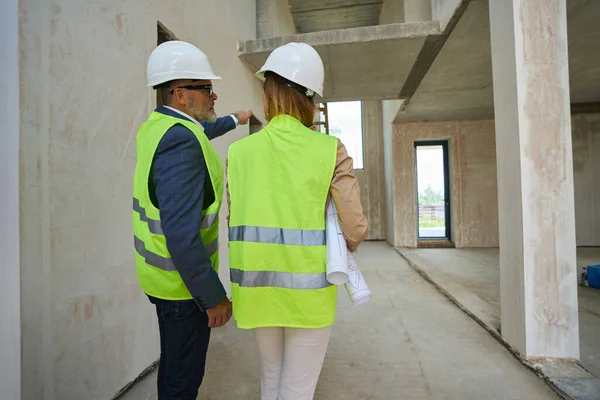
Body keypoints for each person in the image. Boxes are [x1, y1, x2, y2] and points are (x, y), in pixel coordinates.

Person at [226, 42, 368, 400]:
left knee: (271, 376)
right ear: (311, 100)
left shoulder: (238, 152)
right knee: (298, 388)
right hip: (309, 293)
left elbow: (236, 214)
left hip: (255, 288)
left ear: (267, 93)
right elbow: (355, 227)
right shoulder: (329, 149)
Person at [132, 40, 247, 400]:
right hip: (183, 289)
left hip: (161, 279)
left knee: (173, 365)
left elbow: (202, 131)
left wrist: (235, 120)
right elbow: (181, 235)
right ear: (182, 95)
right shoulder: (181, 145)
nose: (214, 96)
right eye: (207, 89)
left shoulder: (161, 126)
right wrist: (213, 297)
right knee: (182, 381)